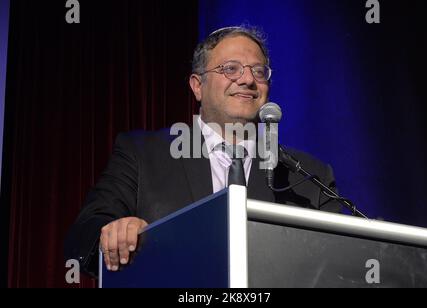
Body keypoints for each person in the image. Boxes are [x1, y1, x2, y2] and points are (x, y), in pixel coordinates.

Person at [64, 26, 341, 277]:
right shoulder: (141, 154)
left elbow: (344, 261)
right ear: (197, 86)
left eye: (259, 71)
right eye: (231, 69)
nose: (247, 80)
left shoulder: (307, 175)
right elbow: (85, 232)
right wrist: (115, 231)